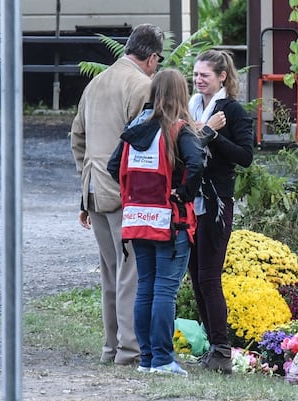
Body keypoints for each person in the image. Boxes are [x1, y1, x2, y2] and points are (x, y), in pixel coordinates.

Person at [70, 23, 164, 366]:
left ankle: (111, 348)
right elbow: (141, 142)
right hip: (125, 192)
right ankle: (129, 350)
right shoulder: (142, 85)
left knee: (111, 273)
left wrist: (87, 177)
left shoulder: (96, 82)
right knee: (131, 273)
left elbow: (77, 137)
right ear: (152, 57)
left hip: (93, 190)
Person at [108, 68, 206, 375]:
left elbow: (113, 166)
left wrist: (138, 193)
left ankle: (148, 358)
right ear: (181, 94)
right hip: (170, 221)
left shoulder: (135, 128)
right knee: (165, 289)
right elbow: (197, 162)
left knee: (145, 287)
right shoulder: (180, 129)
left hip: (138, 219)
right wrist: (183, 193)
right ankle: (163, 359)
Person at [187, 49, 254, 373]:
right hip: (191, 202)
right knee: (196, 277)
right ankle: (211, 345)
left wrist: (212, 135)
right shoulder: (192, 106)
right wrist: (202, 130)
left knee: (209, 277)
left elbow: (245, 156)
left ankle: (222, 351)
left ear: (222, 77)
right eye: (196, 74)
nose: (198, 80)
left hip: (216, 203)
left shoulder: (232, 111)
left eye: (205, 75)